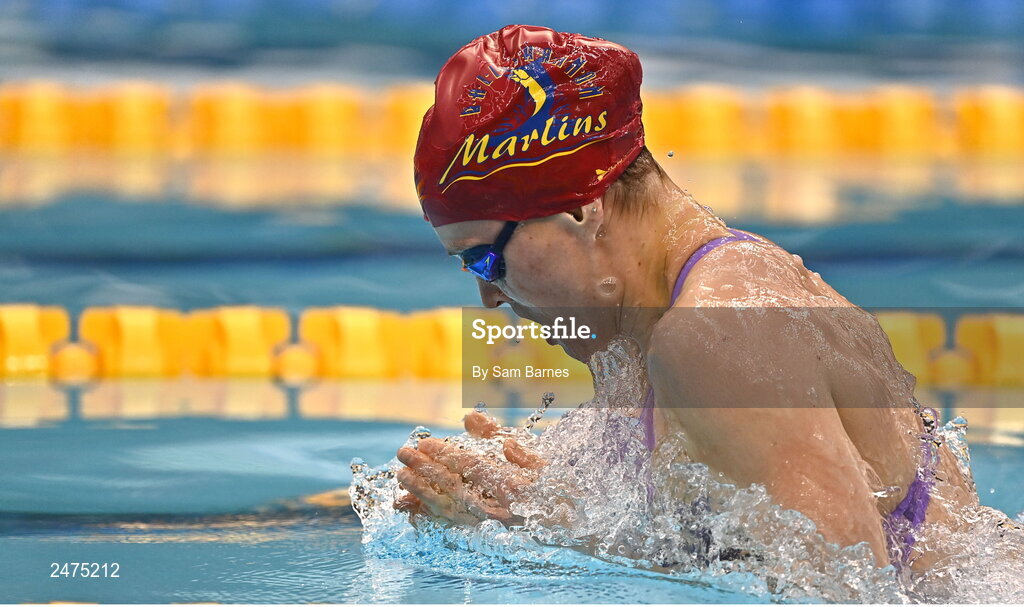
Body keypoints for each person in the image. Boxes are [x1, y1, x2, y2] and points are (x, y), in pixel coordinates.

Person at [393, 23, 979, 571]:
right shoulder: (683, 310)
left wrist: (555, 536)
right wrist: (548, 506)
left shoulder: (715, 335)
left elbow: (848, 589)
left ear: (577, 210)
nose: (488, 296)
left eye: (483, 258)